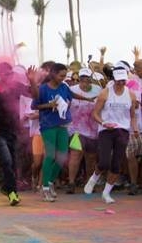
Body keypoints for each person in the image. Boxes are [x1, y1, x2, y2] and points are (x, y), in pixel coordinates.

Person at [84, 68, 138, 204]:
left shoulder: (131, 95)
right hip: (106, 130)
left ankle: (106, 193)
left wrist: (135, 128)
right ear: (113, 80)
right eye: (118, 81)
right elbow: (95, 114)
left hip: (123, 130)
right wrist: (104, 123)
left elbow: (132, 115)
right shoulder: (105, 93)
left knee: (116, 164)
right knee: (104, 162)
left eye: (123, 81)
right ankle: (94, 178)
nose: (121, 84)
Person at [0, 63, 31, 206]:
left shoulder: (17, 86)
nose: (9, 76)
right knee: (7, 161)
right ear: (0, 74)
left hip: (13, 132)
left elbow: (34, 94)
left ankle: (7, 187)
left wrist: (32, 80)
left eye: (11, 73)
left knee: (14, 164)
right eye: (6, 73)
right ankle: (12, 193)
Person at [31, 63, 73, 202]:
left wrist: (88, 98)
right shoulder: (42, 89)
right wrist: (50, 105)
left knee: (62, 157)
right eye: (61, 75)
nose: (63, 78)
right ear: (53, 74)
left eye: (65, 76)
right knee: (50, 156)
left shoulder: (64, 87)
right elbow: (35, 105)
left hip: (62, 125)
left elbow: (71, 96)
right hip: (48, 126)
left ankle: (50, 182)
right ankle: (44, 189)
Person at [65, 68, 101, 193]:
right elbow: (65, 106)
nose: (85, 82)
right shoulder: (72, 90)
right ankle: (71, 183)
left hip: (93, 130)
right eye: (82, 79)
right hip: (76, 129)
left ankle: (89, 184)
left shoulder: (98, 90)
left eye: (87, 79)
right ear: (79, 79)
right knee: (76, 154)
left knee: (91, 158)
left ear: (91, 79)